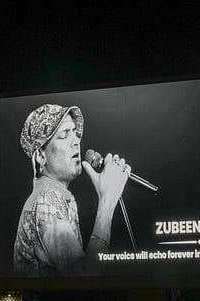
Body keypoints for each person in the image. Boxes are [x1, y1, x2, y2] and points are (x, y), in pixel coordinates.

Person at [13, 103, 131, 277]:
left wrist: (105, 194)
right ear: (40, 156)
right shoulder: (46, 200)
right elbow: (87, 275)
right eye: (64, 135)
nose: (76, 141)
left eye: (75, 132)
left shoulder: (55, 196)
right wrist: (108, 199)